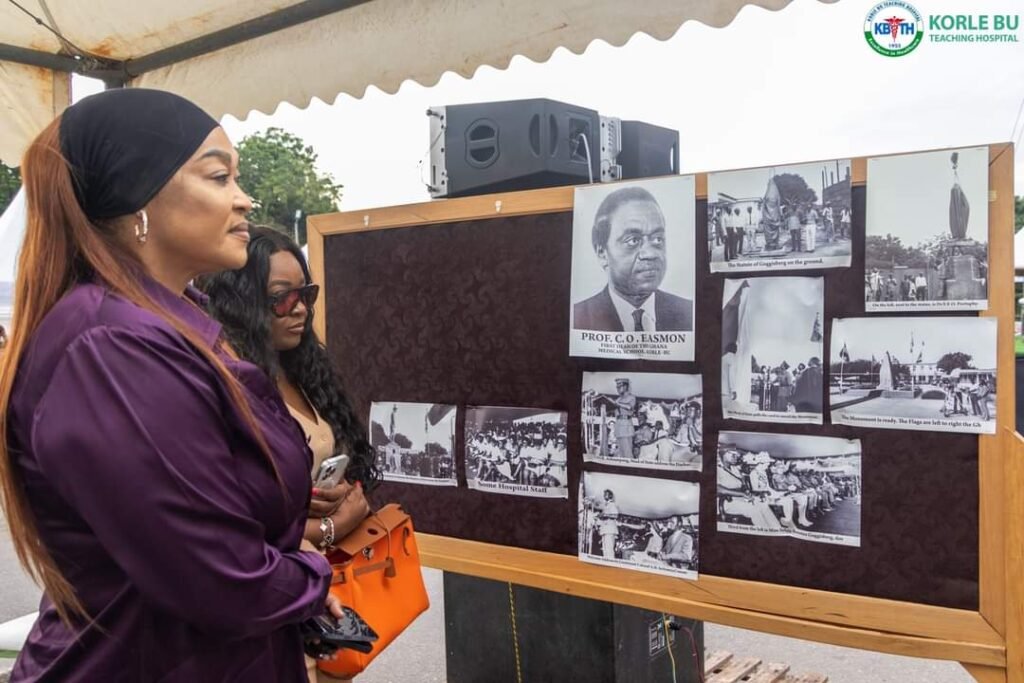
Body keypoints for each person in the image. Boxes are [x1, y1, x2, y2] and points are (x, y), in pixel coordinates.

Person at [0, 89, 348, 681]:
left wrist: (286, 545)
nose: (245, 200)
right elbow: (219, 579)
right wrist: (310, 577)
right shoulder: (111, 347)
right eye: (219, 177)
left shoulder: (156, 326)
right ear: (140, 198)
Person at [200, 226, 380, 682]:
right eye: (282, 296)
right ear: (241, 303)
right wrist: (329, 526)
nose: (299, 308)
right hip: (277, 619)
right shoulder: (226, 386)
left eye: (306, 293)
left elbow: (346, 449)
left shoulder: (303, 367)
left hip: (330, 606)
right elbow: (227, 522)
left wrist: (346, 493)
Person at [573, 186, 693, 332]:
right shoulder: (578, 319)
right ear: (602, 253)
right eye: (632, 241)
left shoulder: (689, 314)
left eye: (657, 239)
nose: (650, 254)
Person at [613, 378, 637, 460]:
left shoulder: (631, 397)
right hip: (618, 426)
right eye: (617, 387)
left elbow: (630, 407)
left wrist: (618, 404)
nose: (618, 389)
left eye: (620, 386)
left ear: (626, 386)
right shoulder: (618, 399)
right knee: (621, 452)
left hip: (626, 426)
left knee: (628, 453)